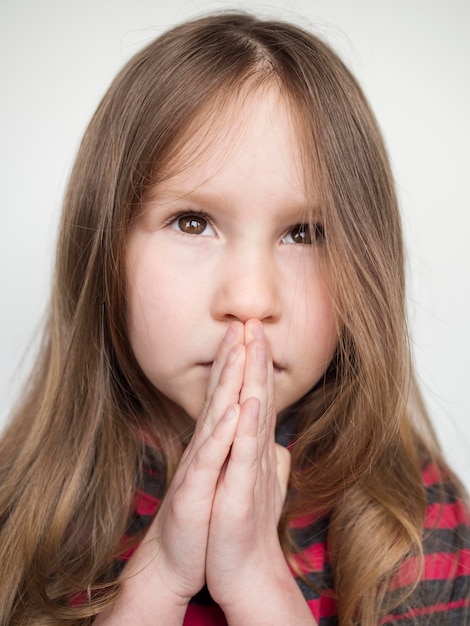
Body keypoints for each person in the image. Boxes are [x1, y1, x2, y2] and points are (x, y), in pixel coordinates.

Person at [0, 12, 468, 626]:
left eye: (304, 233)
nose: (250, 298)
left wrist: (254, 580)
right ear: (105, 252)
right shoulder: (22, 510)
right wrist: (161, 576)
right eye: (192, 222)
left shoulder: (419, 534)